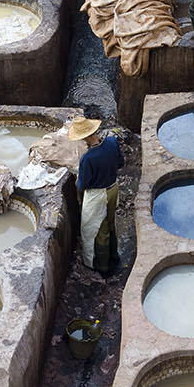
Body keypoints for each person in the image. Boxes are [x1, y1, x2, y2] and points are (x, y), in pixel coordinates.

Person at [73, 116, 122, 273]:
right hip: (113, 188)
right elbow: (121, 163)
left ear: (85, 137)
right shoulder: (112, 142)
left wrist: (78, 179)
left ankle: (103, 267)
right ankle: (114, 255)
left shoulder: (87, 159)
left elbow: (82, 185)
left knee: (98, 230)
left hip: (97, 196)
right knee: (111, 222)